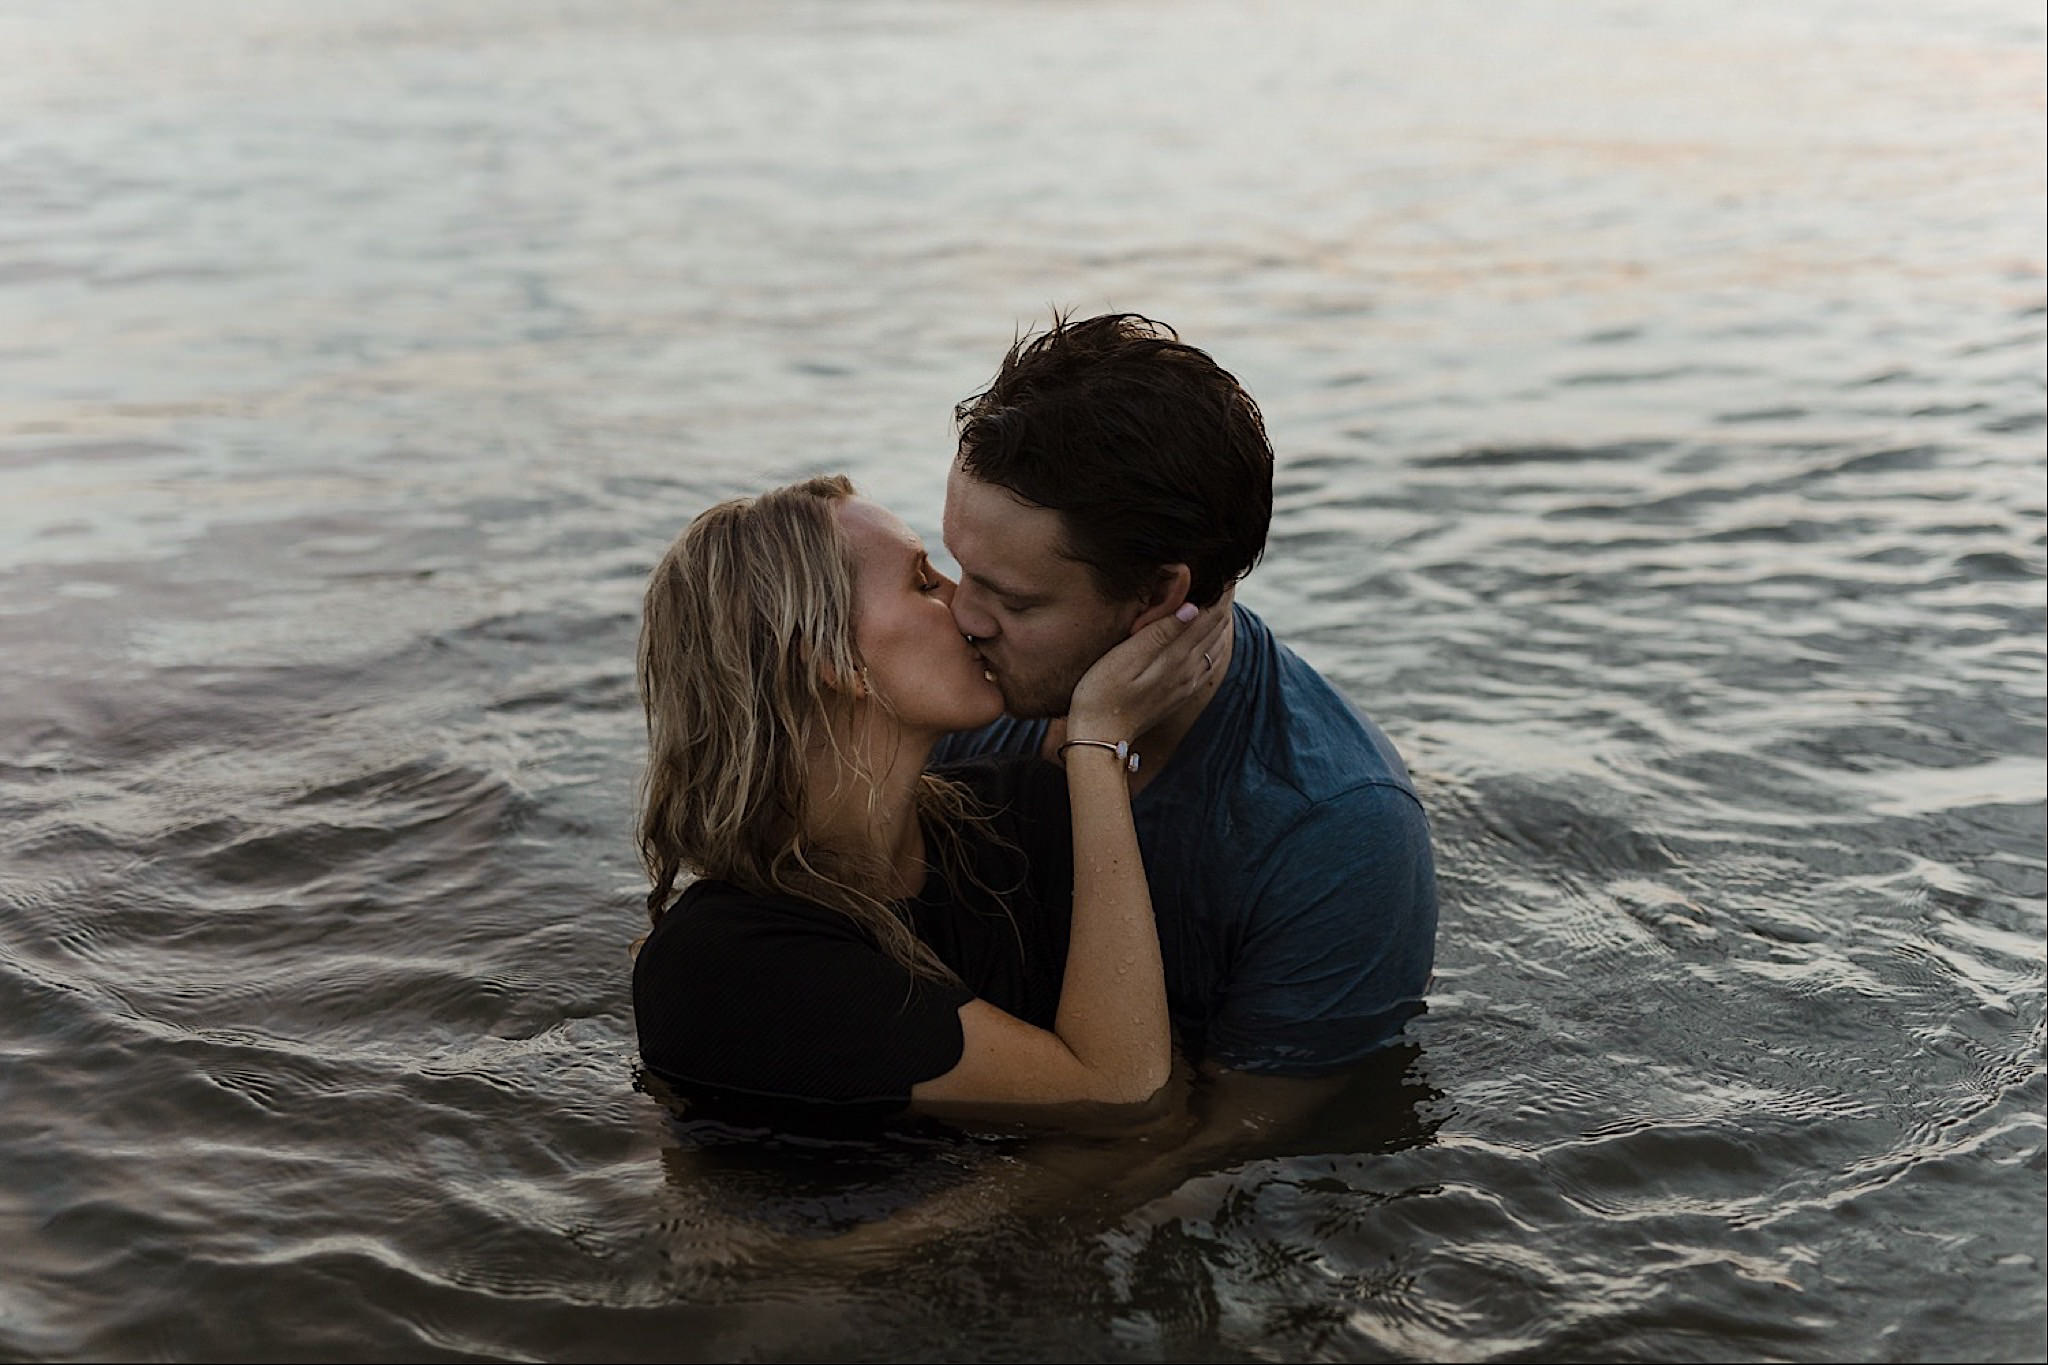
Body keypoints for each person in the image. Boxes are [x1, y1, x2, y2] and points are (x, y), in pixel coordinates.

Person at [933, 313, 1438, 1087]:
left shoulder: (1338, 836)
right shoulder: (948, 681)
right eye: (957, 564)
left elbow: (1226, 1153)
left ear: (1156, 593)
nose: (961, 617)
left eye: (1013, 599)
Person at [630, 474, 1230, 1121]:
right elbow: (1122, 1096)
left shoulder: (1020, 813)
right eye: (924, 582)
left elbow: (1168, 1097)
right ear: (833, 660)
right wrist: (1099, 741)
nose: (966, 607)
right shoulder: (723, 966)